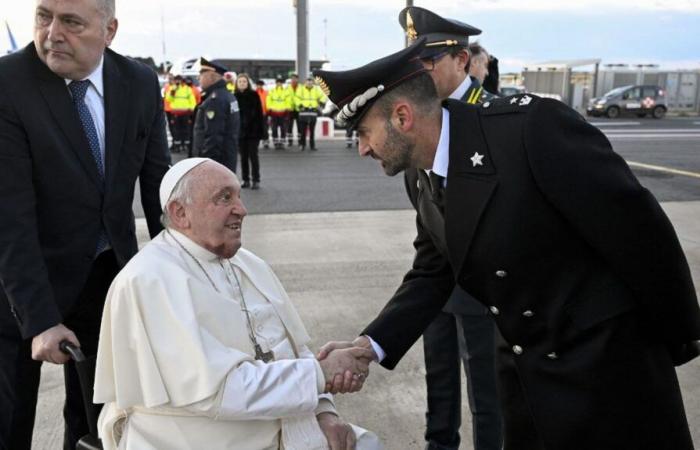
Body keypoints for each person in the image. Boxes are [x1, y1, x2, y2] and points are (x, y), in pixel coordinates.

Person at [314, 39, 700, 450]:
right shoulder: (420, 176)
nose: (362, 149)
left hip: (607, 373)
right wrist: (368, 346)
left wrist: (673, 341)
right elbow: (433, 270)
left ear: (403, 116)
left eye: (364, 133)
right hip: (527, 379)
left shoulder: (528, 130)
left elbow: (641, 233)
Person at [94, 158, 383, 450]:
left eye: (239, 196)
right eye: (224, 198)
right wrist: (320, 375)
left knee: (366, 445)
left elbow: (294, 349)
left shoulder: (248, 264)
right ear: (180, 213)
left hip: (277, 423)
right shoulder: (149, 281)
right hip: (199, 438)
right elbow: (218, 391)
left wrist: (325, 412)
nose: (242, 210)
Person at [0, 0, 170, 448]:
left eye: (71, 22)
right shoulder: (7, 83)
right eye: (43, 16)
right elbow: (10, 215)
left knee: (100, 427)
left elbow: (158, 192)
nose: (52, 33)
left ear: (109, 30)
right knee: (9, 422)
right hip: (17, 289)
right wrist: (39, 320)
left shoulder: (138, 83)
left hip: (106, 284)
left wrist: (179, 279)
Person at [398, 7, 502, 450]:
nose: (418, 72)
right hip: (439, 287)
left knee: (487, 395)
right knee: (439, 384)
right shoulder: (421, 123)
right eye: (412, 63)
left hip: (484, 293)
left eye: (429, 62)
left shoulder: (497, 120)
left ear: (461, 60)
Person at [192, 57, 240, 173]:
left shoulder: (215, 100)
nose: (198, 78)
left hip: (215, 166)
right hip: (226, 161)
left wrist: (206, 167)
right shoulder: (227, 96)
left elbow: (213, 137)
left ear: (212, 76)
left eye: (202, 74)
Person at [234, 73, 265, 189]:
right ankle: (245, 179)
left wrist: (261, 131)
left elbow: (260, 114)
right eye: (240, 81)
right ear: (236, 84)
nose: (242, 83)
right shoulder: (234, 96)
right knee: (243, 157)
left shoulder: (254, 95)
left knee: (253, 156)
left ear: (248, 83)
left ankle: (256, 179)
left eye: (244, 82)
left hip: (253, 132)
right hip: (240, 132)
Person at [166, 74, 197, 153]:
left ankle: (185, 146)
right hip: (176, 112)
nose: (178, 81)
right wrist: (174, 90)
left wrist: (191, 109)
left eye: (179, 80)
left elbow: (192, 101)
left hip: (186, 112)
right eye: (176, 80)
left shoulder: (187, 89)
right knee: (176, 130)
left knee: (186, 129)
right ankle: (177, 146)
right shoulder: (173, 88)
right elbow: (169, 99)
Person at [296, 76, 327, 151]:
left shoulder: (316, 89)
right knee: (303, 131)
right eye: (308, 81)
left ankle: (312, 146)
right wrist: (300, 105)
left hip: (313, 111)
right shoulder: (301, 89)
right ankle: (302, 145)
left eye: (311, 81)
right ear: (305, 82)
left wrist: (322, 103)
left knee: (312, 131)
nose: (309, 82)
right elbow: (296, 98)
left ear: (313, 82)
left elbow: (323, 96)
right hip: (303, 111)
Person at [267, 75, 291, 149]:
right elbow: (269, 100)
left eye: (280, 82)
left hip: (283, 113)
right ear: (276, 83)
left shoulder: (286, 91)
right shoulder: (272, 91)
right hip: (274, 113)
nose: (279, 84)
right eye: (278, 82)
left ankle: (282, 142)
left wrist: (286, 108)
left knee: (283, 128)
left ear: (282, 83)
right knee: (274, 128)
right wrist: (270, 108)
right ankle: (276, 142)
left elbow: (288, 101)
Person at [286, 72, 301, 147]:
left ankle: (300, 141)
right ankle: (290, 141)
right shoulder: (287, 88)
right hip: (290, 110)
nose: (294, 80)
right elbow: (285, 98)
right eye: (292, 78)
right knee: (289, 127)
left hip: (299, 109)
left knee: (300, 126)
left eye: (295, 78)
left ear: (297, 79)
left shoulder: (301, 87)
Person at [255, 78, 271, 149]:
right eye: (258, 85)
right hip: (256, 114)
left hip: (264, 113)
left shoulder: (266, 93)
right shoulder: (254, 93)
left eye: (261, 85)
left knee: (265, 128)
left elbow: (268, 102)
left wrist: (268, 111)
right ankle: (256, 142)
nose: (259, 86)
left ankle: (266, 141)